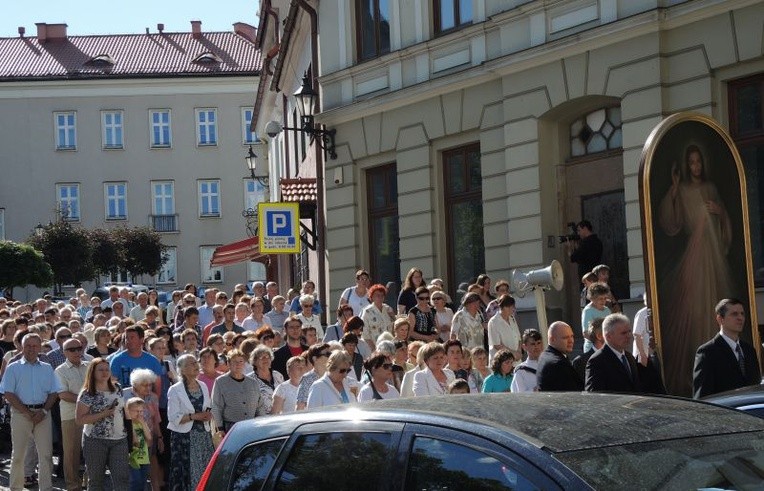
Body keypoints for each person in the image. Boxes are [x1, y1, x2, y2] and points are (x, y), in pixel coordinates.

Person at [659, 145, 737, 395]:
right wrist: (673, 188)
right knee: (693, 304)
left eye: (698, 161)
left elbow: (724, 220)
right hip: (694, 252)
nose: (695, 166)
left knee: (714, 296)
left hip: (711, 252)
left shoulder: (711, 188)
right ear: (686, 164)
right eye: (691, 162)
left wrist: (720, 211)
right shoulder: (681, 190)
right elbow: (672, 222)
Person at [0, 333, 61, 491]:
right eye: (28, 345)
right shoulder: (13, 367)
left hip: (43, 414)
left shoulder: (47, 368)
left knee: (46, 455)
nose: (31, 349)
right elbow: (8, 393)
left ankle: (46, 488)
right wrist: (27, 413)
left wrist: (44, 411)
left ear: (40, 347)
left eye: (35, 346)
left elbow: (54, 393)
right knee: (19, 454)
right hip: (21, 414)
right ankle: (15, 488)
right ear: (21, 347)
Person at [76, 357, 130, 491]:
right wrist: (103, 414)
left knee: (122, 478)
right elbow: (80, 419)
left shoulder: (117, 388)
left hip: (119, 439)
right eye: (100, 369)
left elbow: (123, 412)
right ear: (92, 372)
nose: (105, 372)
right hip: (95, 440)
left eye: (107, 369)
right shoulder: (87, 393)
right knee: (96, 480)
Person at [693, 298, 761, 399]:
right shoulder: (707, 352)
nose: (740, 318)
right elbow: (702, 397)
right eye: (734, 314)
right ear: (720, 319)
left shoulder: (749, 350)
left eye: (742, 314)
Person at [167, 354, 214, 491]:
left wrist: (207, 414)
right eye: (190, 364)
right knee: (188, 473)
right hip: (184, 438)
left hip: (204, 437)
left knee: (205, 471)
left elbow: (207, 406)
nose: (195, 366)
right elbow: (173, 418)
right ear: (181, 369)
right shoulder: (175, 390)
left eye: (195, 362)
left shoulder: (203, 385)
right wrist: (195, 416)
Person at [55, 337, 89, 491]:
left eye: (79, 348)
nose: (77, 351)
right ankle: (72, 485)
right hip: (71, 416)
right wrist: (87, 402)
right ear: (64, 353)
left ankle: (89, 484)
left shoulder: (90, 366)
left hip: (93, 415)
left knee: (92, 452)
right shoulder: (60, 370)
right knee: (71, 453)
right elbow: (63, 395)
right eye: (72, 349)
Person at [211, 349, 266, 432]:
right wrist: (219, 428)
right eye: (234, 362)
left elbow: (260, 406)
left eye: (241, 361)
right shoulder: (220, 382)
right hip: (231, 427)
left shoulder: (253, 382)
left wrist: (262, 424)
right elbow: (216, 406)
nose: (238, 364)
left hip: (252, 426)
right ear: (228, 364)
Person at [111, 325, 163, 397]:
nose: (128, 341)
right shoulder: (117, 360)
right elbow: (113, 384)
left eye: (132, 338)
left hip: (146, 403)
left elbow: (157, 388)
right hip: (125, 401)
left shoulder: (152, 361)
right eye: (126, 338)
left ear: (141, 339)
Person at [536, 322, 583, 392]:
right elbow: (573, 395)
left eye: (572, 336)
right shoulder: (558, 363)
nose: (571, 341)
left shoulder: (545, 355)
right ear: (552, 339)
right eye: (565, 337)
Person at [247, 345, 284, 415]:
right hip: (261, 418)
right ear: (254, 361)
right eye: (261, 357)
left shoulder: (278, 375)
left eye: (267, 357)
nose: (265, 359)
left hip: (280, 416)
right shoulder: (249, 380)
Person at [125, 397, 152, 491]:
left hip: (144, 459)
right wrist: (130, 423)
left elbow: (149, 438)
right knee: (134, 482)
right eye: (136, 411)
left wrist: (143, 423)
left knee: (142, 483)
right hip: (133, 460)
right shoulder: (128, 425)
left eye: (141, 411)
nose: (139, 414)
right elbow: (135, 441)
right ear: (128, 411)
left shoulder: (142, 423)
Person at [295, 344, 332, 410]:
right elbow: (300, 406)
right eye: (327, 354)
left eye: (331, 354)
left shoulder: (334, 375)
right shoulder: (307, 379)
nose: (331, 357)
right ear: (315, 359)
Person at [361, 283, 396, 352]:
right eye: (377, 295)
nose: (380, 298)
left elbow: (394, 326)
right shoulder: (367, 311)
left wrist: (393, 316)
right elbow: (364, 332)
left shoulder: (388, 309)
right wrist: (374, 349)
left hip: (389, 346)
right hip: (375, 347)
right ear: (372, 297)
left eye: (382, 295)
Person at [487, 294, 521, 363]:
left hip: (515, 361)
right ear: (501, 307)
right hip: (501, 363)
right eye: (508, 307)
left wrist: (519, 352)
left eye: (512, 306)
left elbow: (518, 338)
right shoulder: (493, 322)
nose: (512, 309)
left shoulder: (512, 319)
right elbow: (497, 345)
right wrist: (513, 354)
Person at [581, 283, 611, 352]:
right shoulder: (588, 311)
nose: (603, 301)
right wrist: (599, 342)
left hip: (606, 346)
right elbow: (585, 333)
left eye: (605, 298)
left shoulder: (607, 310)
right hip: (592, 348)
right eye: (600, 299)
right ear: (592, 298)